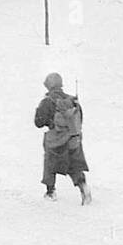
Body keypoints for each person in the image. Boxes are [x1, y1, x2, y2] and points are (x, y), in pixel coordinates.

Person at [33, 72, 91, 203]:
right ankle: (83, 187)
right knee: (74, 165)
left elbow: (38, 122)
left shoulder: (47, 101)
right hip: (73, 138)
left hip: (56, 140)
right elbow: (80, 118)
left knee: (50, 163)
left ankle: (50, 192)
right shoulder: (72, 100)